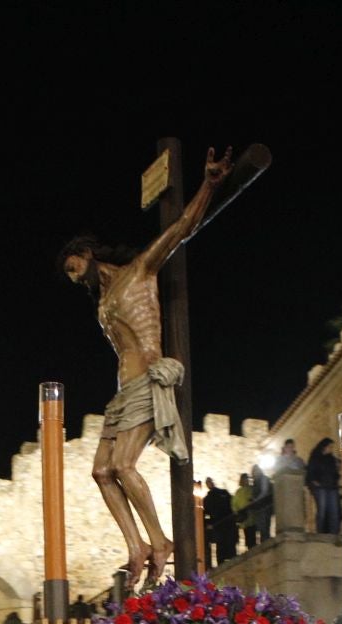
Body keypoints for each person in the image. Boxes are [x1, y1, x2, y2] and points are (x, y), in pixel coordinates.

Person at [59, 147, 231, 586]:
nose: (71, 273)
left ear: (86, 251)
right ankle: (136, 546)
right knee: (100, 470)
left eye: (72, 264)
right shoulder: (101, 302)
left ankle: (160, 541)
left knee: (123, 466)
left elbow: (181, 228)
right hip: (121, 392)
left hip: (144, 383)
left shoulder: (139, 271)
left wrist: (209, 183)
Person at [306, 438, 342, 534]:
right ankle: (321, 531)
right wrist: (315, 482)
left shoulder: (332, 459)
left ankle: (334, 532)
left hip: (332, 487)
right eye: (330, 447)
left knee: (334, 511)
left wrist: (338, 468)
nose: (331, 449)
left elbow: (335, 474)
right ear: (324, 447)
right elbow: (311, 472)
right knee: (322, 510)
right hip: (321, 487)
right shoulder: (315, 457)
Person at [204, 476, 237, 568]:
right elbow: (205, 513)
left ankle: (230, 562)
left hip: (226, 523)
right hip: (219, 525)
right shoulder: (208, 499)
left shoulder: (222, 493)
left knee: (228, 544)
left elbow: (231, 506)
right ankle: (222, 564)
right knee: (222, 546)